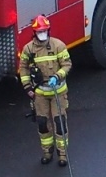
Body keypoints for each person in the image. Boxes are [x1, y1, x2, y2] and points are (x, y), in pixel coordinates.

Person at [18, 14, 71, 166]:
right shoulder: (28, 49)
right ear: (34, 32)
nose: (43, 34)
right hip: (40, 93)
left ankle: (62, 154)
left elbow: (67, 65)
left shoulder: (58, 45)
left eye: (45, 31)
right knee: (42, 122)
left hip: (58, 92)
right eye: (40, 31)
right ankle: (47, 152)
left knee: (59, 122)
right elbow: (23, 69)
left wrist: (57, 76)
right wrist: (28, 88)